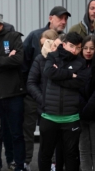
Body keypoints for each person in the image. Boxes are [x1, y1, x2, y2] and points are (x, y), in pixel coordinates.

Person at [22, 6, 71, 170]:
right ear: (51, 18)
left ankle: (55, 163)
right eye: (60, 18)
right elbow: (24, 64)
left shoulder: (67, 41)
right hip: (33, 96)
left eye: (65, 19)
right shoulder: (35, 36)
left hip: (56, 101)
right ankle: (26, 161)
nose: (63, 21)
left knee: (54, 134)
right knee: (28, 131)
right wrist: (32, 93)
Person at [0, 8, 26, 171]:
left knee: (16, 133)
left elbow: (19, 60)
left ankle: (19, 165)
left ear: (1, 24)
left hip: (14, 93)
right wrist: (7, 61)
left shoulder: (13, 36)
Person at [38, 32, 88, 171]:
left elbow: (80, 82)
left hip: (71, 117)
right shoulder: (53, 56)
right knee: (45, 154)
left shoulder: (81, 62)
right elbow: (49, 72)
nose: (74, 50)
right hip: (49, 116)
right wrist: (70, 74)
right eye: (71, 46)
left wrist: (58, 75)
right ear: (64, 44)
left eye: (78, 48)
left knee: (71, 155)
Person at [78, 35, 95, 171]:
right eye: (85, 48)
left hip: (93, 113)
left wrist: (88, 108)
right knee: (83, 149)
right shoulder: (77, 66)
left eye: (92, 48)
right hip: (80, 114)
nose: (88, 51)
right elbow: (74, 87)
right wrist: (82, 109)